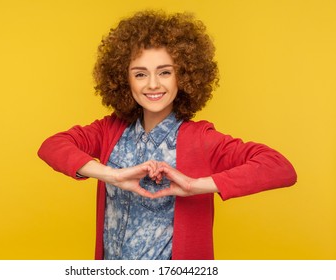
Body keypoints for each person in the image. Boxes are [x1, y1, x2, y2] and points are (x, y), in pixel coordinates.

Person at [38, 10, 297, 260]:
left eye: (165, 72)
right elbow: (52, 146)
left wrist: (195, 185)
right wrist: (112, 175)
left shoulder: (201, 139)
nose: (152, 84)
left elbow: (279, 167)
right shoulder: (109, 130)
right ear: (124, 79)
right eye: (140, 74)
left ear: (182, 77)